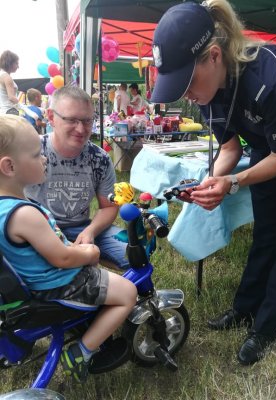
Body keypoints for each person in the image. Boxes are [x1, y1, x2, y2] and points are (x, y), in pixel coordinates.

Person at [150, 0, 276, 365]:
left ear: (214, 56)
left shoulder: (275, 78)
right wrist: (208, 182)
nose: (186, 94)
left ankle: (264, 328)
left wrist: (232, 183)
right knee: (266, 229)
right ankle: (245, 309)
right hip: (271, 146)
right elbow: (230, 148)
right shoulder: (206, 91)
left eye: (187, 82)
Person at [0, 115, 137, 383]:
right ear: (9, 166)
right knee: (127, 292)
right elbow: (62, 258)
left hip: (29, 283)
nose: (44, 158)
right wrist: (91, 253)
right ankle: (81, 352)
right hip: (59, 285)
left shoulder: (6, 208)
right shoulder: (24, 214)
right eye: (36, 154)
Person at [25, 86, 130, 270]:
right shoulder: (32, 151)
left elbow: (109, 207)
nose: (81, 129)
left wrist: (90, 231)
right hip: (36, 232)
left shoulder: (99, 158)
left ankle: (85, 259)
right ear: (51, 117)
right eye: (72, 120)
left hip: (81, 227)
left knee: (134, 253)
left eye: (87, 121)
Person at [0, 50, 19, 115]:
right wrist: (25, 108)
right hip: (10, 112)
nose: (18, 67)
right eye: (16, 63)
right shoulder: (7, 77)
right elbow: (11, 97)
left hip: (3, 111)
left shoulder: (2, 75)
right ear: (9, 63)